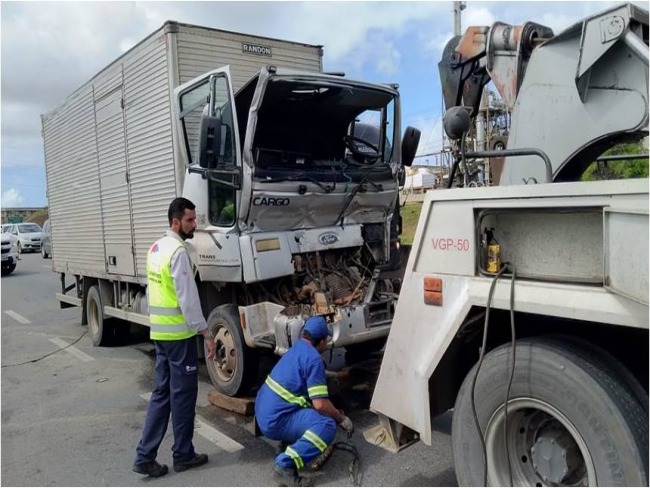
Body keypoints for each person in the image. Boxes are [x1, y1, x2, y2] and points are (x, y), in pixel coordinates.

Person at [133, 197, 217, 478]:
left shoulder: (156, 248)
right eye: (190, 220)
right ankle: (183, 454)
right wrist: (205, 332)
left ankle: (145, 456)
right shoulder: (178, 252)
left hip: (159, 333)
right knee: (182, 397)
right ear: (175, 222)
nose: (194, 225)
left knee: (161, 394)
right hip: (179, 337)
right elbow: (188, 299)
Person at [255, 316, 354, 485]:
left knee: (309, 407)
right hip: (274, 421)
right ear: (321, 341)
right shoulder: (314, 359)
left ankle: (287, 444)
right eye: (326, 340)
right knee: (326, 425)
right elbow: (320, 404)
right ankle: (284, 466)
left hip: (263, 411)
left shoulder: (297, 348)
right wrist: (339, 417)